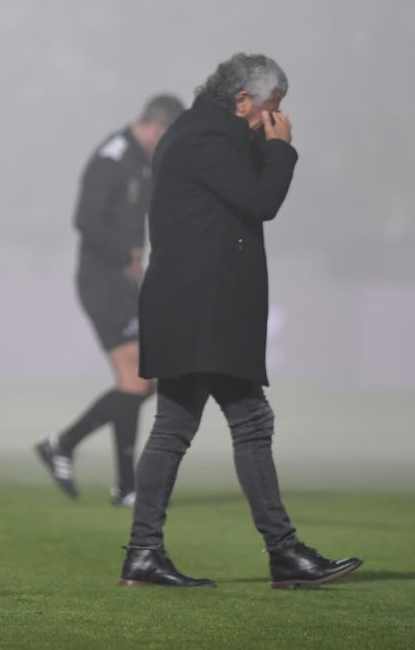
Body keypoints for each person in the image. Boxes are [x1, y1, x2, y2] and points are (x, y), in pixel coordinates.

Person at [119, 53, 362, 588]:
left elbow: (235, 191)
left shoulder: (197, 130)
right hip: (204, 308)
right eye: (271, 108)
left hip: (191, 305)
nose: (275, 118)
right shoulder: (208, 137)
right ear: (244, 99)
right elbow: (260, 200)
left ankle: (145, 555)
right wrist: (280, 148)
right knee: (242, 424)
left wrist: (261, 141)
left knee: (178, 427)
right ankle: (282, 554)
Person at [36, 95, 184, 508]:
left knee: (145, 381)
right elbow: (84, 219)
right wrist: (125, 256)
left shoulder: (142, 160)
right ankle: (124, 486)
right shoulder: (112, 156)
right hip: (101, 282)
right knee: (138, 379)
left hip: (124, 285)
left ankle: (64, 445)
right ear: (158, 127)